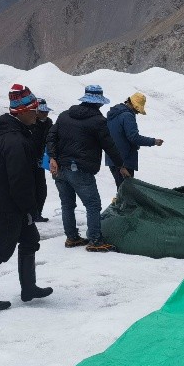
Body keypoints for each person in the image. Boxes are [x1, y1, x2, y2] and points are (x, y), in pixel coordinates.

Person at [0, 84, 53, 311]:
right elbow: (20, 179)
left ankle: (29, 288)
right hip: (7, 206)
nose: (37, 115)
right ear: (23, 111)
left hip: (8, 203)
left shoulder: (11, 133)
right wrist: (30, 208)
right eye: (34, 111)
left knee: (30, 241)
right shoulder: (14, 140)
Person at [47, 84, 129, 252]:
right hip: (80, 170)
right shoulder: (98, 121)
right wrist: (121, 165)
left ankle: (72, 238)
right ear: (98, 102)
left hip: (60, 168)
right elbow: (109, 146)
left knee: (67, 204)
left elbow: (51, 137)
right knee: (93, 205)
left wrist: (53, 157)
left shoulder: (64, 116)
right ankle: (95, 241)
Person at [105, 92, 162, 191]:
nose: (137, 112)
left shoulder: (114, 114)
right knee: (127, 192)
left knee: (122, 190)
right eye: (137, 109)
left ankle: (119, 201)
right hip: (124, 161)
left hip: (113, 158)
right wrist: (154, 141)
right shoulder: (127, 116)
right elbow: (134, 137)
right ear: (133, 105)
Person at [30, 98, 53, 223]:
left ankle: (37, 214)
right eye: (42, 112)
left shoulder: (49, 123)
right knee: (30, 188)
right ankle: (30, 214)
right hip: (28, 161)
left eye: (46, 111)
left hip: (42, 160)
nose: (45, 114)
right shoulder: (29, 124)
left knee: (41, 189)